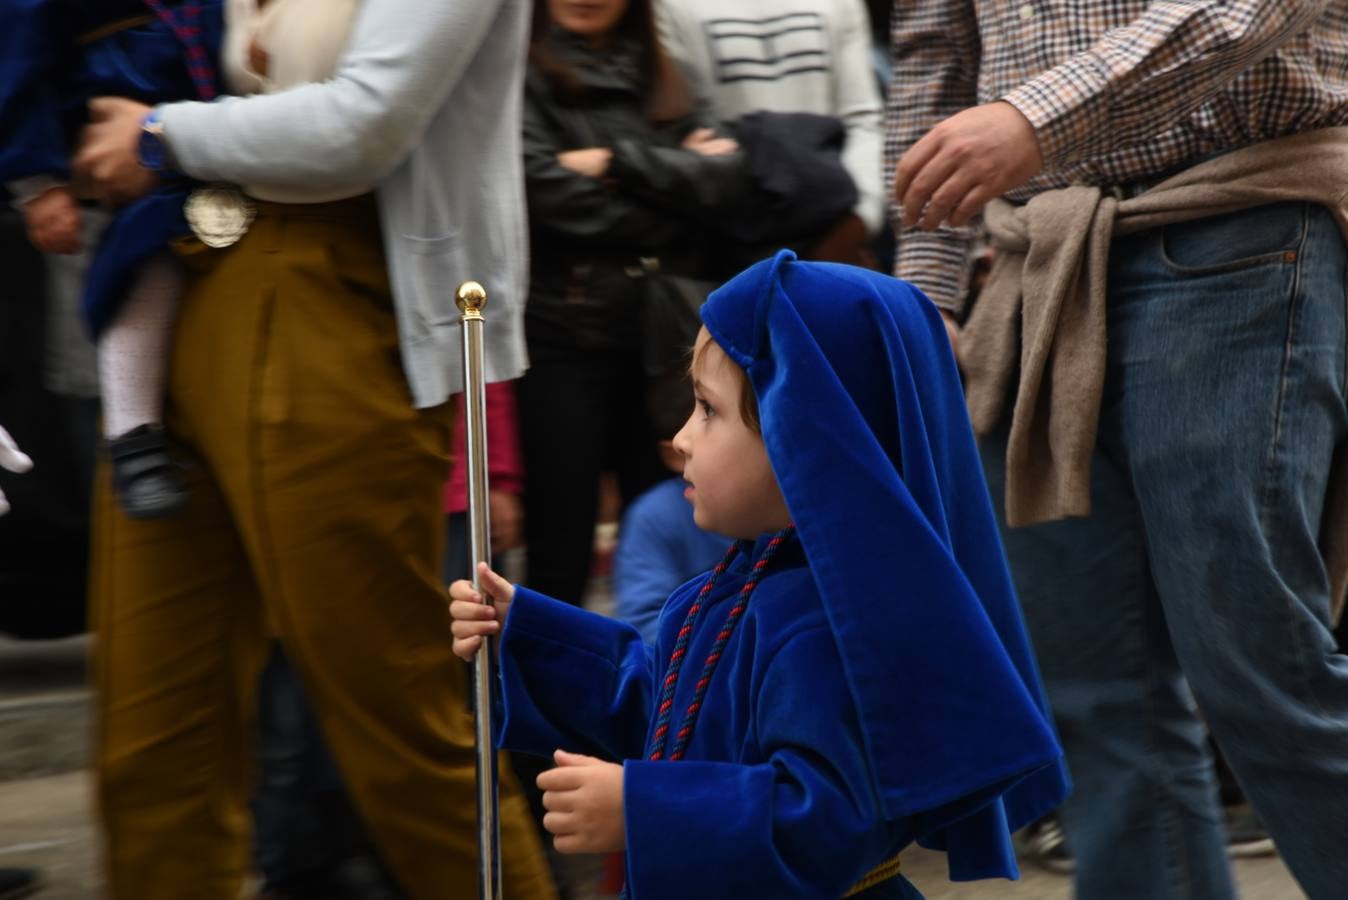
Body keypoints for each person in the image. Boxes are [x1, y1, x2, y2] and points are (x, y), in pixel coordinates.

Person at [69, 0, 558, 897]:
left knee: (396, 723)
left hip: (344, 299)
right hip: (186, 279)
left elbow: (358, 127)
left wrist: (155, 131)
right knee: (152, 734)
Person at [885, 2, 1348, 897]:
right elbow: (934, 48)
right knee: (1095, 701)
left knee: (1260, 672)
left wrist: (1040, 117)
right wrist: (928, 285)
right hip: (1031, 271)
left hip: (1238, 224)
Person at [451, 251, 1071, 898]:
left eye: (707, 409)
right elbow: (670, 713)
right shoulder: (737, 585)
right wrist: (525, 630)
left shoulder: (842, 631)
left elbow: (826, 820)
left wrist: (646, 808)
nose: (681, 438)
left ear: (807, 436)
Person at [516, 0, 748, 611]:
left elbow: (725, 185)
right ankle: (555, 699)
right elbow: (535, 190)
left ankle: (674, 694)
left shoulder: (664, 70)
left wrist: (612, 162)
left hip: (663, 333)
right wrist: (672, 184)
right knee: (558, 545)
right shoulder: (515, 72)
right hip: (560, 336)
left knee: (680, 532)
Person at [0, 0, 230, 518]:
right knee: (144, 266)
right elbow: (16, 69)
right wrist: (40, 184)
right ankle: (133, 439)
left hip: (251, 163)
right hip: (132, 179)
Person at [655, 0, 886, 265]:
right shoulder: (669, 8)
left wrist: (858, 220)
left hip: (834, 225)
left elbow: (863, 118)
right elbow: (684, 126)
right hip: (730, 239)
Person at [611, 371, 726, 643]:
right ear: (673, 454)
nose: (683, 440)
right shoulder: (653, 516)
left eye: (711, 411)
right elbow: (643, 625)